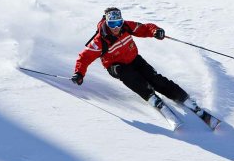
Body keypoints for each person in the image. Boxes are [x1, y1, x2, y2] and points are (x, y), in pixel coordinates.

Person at [71, 7, 204, 116]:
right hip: (115, 66)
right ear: (107, 23)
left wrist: (156, 31)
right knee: (130, 76)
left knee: (154, 78)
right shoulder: (99, 41)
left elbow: (144, 28)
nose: (116, 27)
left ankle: (182, 97)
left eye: (118, 23)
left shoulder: (126, 26)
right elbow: (84, 58)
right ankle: (150, 96)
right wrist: (79, 74)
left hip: (134, 58)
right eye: (112, 24)